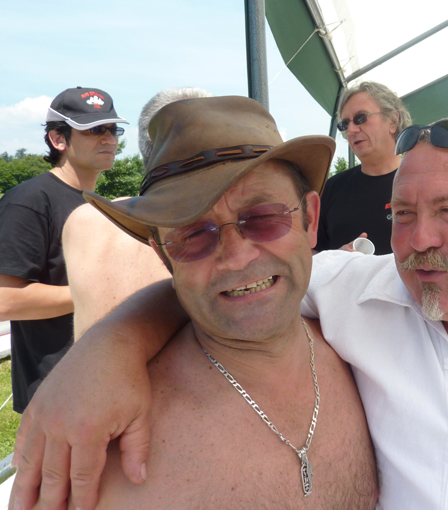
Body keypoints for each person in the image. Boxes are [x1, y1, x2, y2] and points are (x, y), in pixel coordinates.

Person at [12, 116, 448, 510]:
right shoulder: (353, 290)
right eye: (402, 214)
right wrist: (108, 348)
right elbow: (229, 285)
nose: (419, 240)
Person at [22, 96, 379, 509]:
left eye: (263, 216)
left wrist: (114, 341)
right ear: (163, 256)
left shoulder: (369, 348)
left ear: (310, 219)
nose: (237, 256)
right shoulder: (111, 457)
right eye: (193, 235)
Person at [0, 86, 127, 412]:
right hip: (57, 395)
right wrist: (107, 293)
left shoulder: (100, 205)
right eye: (94, 130)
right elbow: (5, 300)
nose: (109, 139)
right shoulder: (30, 201)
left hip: (106, 381)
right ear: (58, 139)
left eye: (112, 129)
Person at [64, 88, 212, 339]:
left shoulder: (83, 219)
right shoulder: (203, 229)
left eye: (113, 130)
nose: (108, 139)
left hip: (87, 360)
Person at [314, 81, 411, 255]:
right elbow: (310, 252)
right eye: (345, 124)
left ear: (393, 121)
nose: (351, 130)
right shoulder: (331, 188)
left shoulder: (422, 181)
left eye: (361, 118)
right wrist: (335, 258)